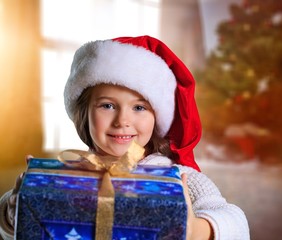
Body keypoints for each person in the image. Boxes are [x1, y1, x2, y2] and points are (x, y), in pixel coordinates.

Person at [0, 35, 250, 239]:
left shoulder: (182, 178)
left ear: (158, 118)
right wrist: (16, 209)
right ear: (83, 113)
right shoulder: (71, 171)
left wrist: (196, 230)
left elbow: (236, 225)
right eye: (107, 105)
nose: (122, 121)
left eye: (139, 108)